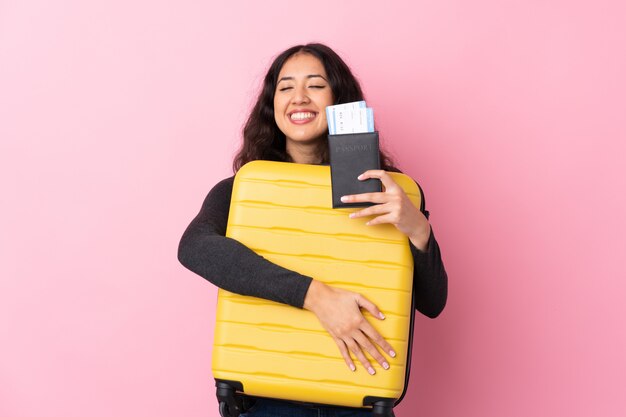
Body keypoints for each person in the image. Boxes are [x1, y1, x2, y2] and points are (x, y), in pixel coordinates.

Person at [178, 43, 447, 417]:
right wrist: (315, 296)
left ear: (340, 100)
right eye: (285, 87)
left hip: (360, 403)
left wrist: (418, 228)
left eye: (315, 85)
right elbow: (195, 248)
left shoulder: (388, 193)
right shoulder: (242, 190)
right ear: (272, 106)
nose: (299, 97)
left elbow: (433, 303)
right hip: (266, 402)